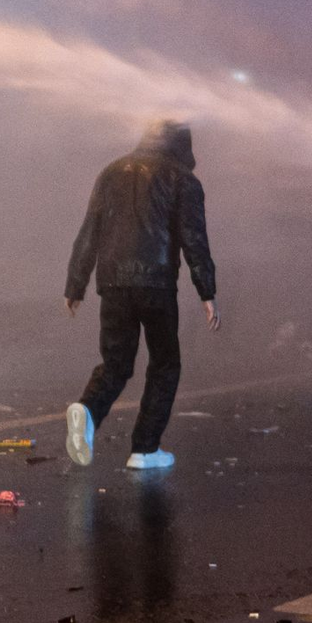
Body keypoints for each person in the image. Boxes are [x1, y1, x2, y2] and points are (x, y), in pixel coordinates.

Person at [64, 119, 220, 470]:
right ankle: (145, 449)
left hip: (113, 284)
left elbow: (90, 231)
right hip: (157, 285)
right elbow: (193, 239)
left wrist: (76, 285)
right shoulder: (183, 179)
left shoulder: (110, 172)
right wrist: (206, 292)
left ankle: (87, 410)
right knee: (165, 363)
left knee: (116, 364)